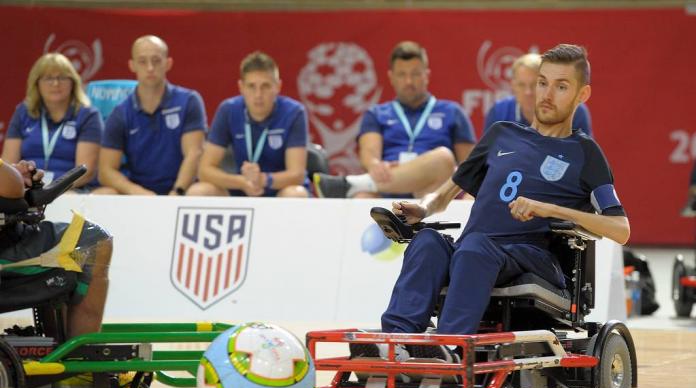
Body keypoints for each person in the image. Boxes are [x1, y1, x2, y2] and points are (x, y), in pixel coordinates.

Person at [356, 44, 630, 360]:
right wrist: (424, 208)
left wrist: (549, 209)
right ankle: (396, 344)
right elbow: (446, 193)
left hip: (532, 256)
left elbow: (620, 229)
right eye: (543, 82)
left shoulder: (586, 153)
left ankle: (450, 348)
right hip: (478, 250)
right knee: (428, 242)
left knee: (474, 248)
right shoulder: (501, 134)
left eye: (561, 86)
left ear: (583, 95)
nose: (546, 94)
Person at [313, 41, 476, 199]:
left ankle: (353, 184)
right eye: (402, 74)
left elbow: (470, 167)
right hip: (387, 191)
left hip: (432, 194)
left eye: (415, 74)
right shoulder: (376, 113)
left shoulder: (452, 111)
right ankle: (360, 186)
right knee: (362, 197)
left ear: (427, 75)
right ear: (391, 77)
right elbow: (369, 155)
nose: (409, 81)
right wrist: (374, 165)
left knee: (443, 158)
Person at [0, 159, 113, 340]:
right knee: (95, 240)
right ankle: (82, 356)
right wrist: (16, 176)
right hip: (7, 250)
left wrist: (12, 172)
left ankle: (59, 350)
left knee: (62, 250)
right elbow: (11, 188)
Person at [188, 51, 309, 198]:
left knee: (295, 194)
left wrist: (264, 180)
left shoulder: (294, 112)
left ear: (278, 86)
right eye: (251, 86)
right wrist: (241, 182)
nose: (258, 94)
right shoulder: (228, 110)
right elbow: (204, 170)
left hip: (278, 188)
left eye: (265, 86)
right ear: (241, 87)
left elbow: (297, 174)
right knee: (199, 191)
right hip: (240, 187)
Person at [97, 35, 206, 196]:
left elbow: (194, 153)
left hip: (182, 191)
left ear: (168, 63)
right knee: (104, 193)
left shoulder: (189, 101)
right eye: (142, 61)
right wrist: (137, 191)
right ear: (132, 65)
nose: (150, 67)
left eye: (156, 60)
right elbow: (106, 171)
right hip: (138, 193)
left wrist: (177, 191)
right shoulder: (120, 112)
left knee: (202, 191)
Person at [2, 53, 103, 191]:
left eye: (61, 77)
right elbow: (8, 163)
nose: (55, 83)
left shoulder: (88, 115)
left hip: (71, 190)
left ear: (73, 82)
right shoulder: (23, 112)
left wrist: (50, 191)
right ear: (36, 83)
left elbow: (84, 173)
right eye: (48, 78)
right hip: (27, 188)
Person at [484, 52, 593, 136]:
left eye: (535, 84)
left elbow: (585, 158)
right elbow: (486, 158)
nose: (528, 92)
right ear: (513, 86)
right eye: (521, 85)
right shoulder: (499, 111)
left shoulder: (574, 110)